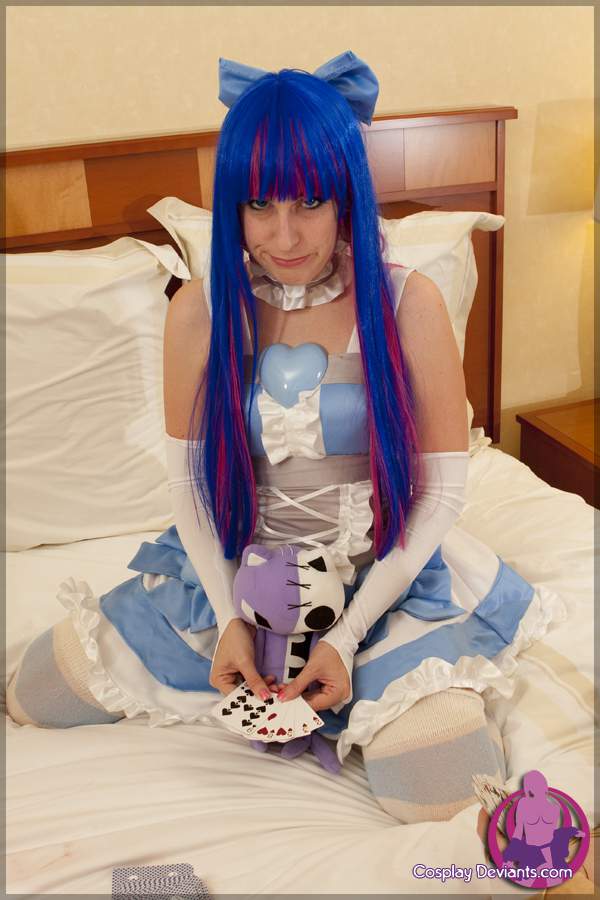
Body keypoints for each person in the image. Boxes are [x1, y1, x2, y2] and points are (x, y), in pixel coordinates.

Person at [7, 51, 553, 825]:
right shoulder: (202, 309)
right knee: (32, 693)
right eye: (259, 204)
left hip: (379, 578)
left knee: (441, 795)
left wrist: (348, 636)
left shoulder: (408, 302)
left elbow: (442, 491)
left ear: (347, 196)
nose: (285, 234)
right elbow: (191, 484)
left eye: (310, 201)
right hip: (236, 575)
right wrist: (231, 618)